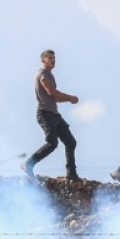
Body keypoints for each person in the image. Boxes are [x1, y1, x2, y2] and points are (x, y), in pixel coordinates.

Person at [24, 50, 81, 181]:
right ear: (43, 60)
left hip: (54, 114)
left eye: (54, 57)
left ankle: (71, 173)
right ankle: (29, 163)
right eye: (49, 58)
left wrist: (67, 99)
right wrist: (69, 97)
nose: (53, 60)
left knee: (70, 142)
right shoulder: (42, 73)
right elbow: (51, 92)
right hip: (45, 114)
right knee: (52, 143)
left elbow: (54, 98)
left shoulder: (50, 75)